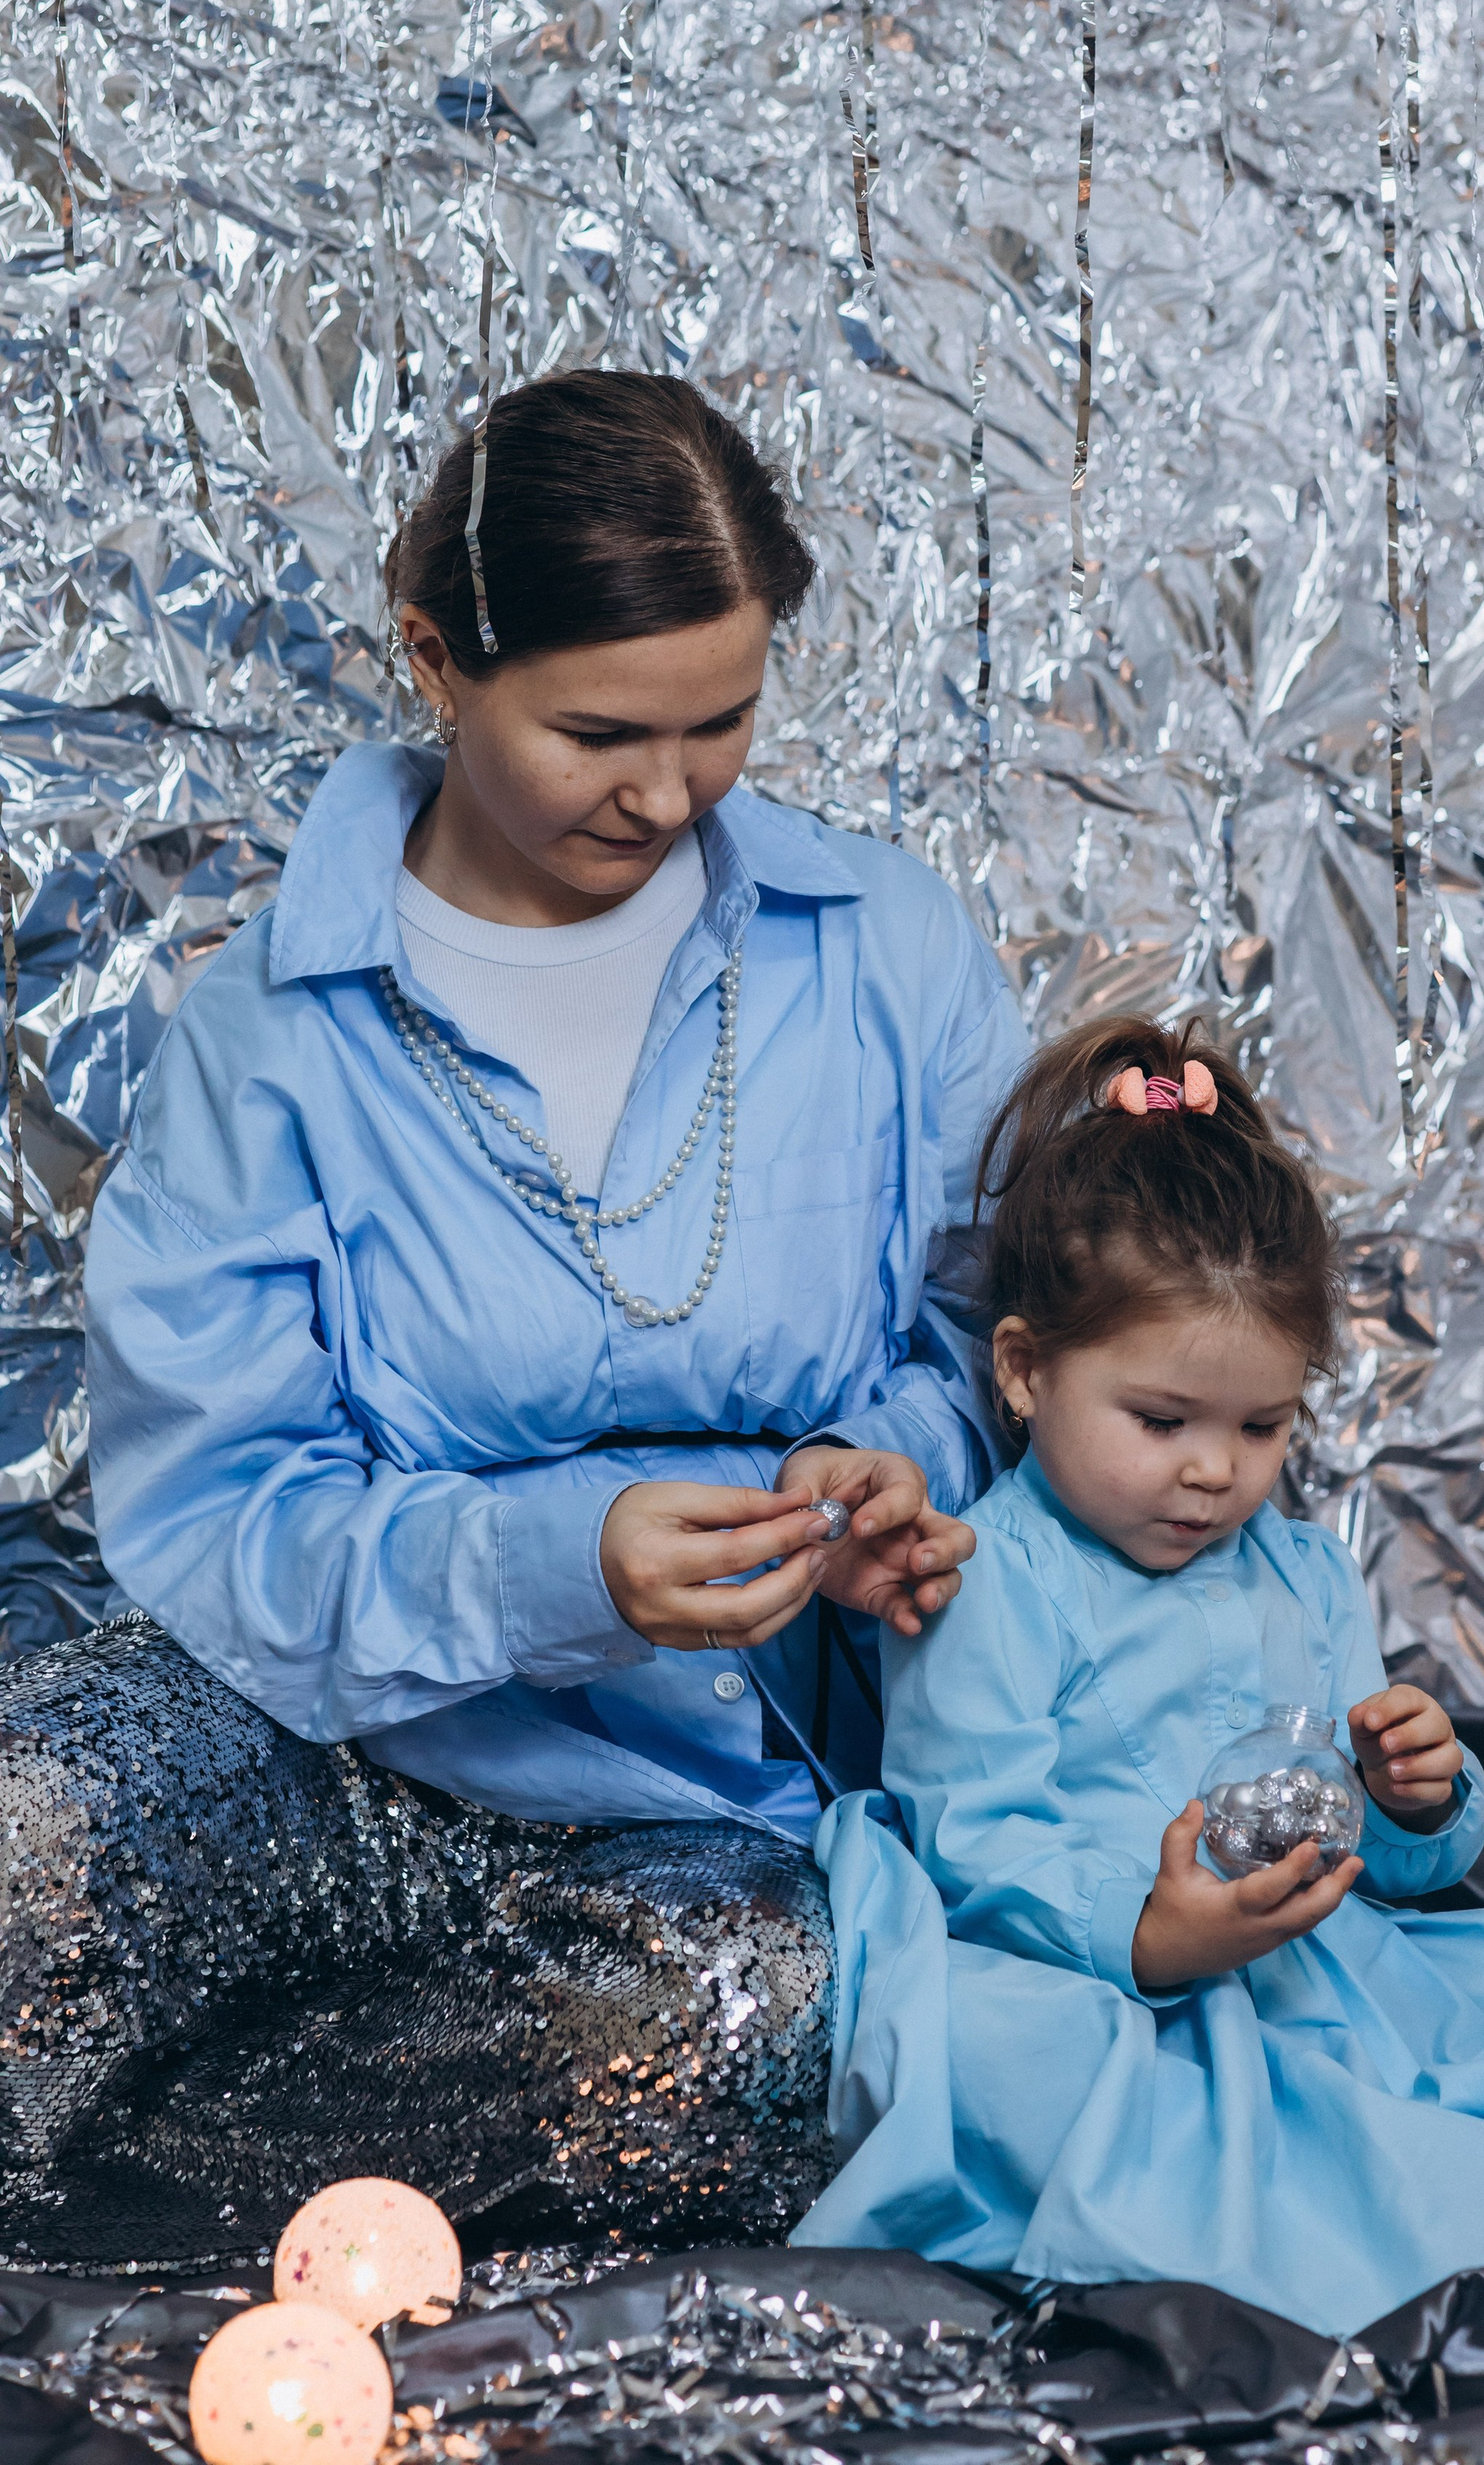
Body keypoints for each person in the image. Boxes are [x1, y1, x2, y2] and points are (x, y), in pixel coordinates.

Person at [794, 1017, 1484, 2338]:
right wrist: (1156, 1935)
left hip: (1323, 1962)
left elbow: (1374, 1860)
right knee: (1077, 2090)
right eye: (1162, 1421)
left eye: (1261, 1426)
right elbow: (978, 1840)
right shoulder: (984, 1578)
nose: (1213, 1471)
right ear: (1024, 1370)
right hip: (1103, 1970)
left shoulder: (1297, 1569)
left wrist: (1413, 1796)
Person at [84, 365, 1028, 1831]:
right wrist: (562, 1569)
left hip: (803, 1788)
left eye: (721, 721)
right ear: (434, 660)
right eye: (597, 737)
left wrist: (879, 1469)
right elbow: (222, 1512)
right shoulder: (269, 1038)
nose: (666, 797)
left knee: (726, 1998)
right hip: (393, 1784)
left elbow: (1005, 1338)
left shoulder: (888, 948)